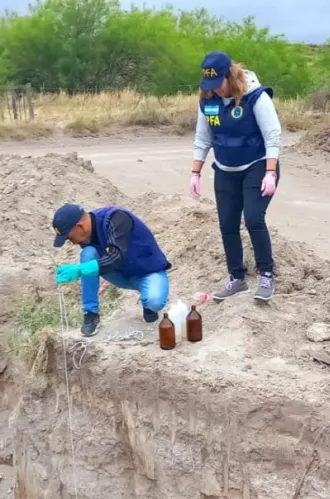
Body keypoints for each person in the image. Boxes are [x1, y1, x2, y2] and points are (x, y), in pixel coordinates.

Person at [189, 50, 283, 302]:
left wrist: (270, 172)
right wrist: (195, 172)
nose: (215, 90)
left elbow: (272, 135)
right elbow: (203, 138)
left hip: (258, 165)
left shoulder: (255, 97)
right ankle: (236, 278)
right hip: (225, 169)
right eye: (209, 85)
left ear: (230, 76)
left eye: (218, 83)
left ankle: (266, 274)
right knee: (227, 224)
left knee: (253, 218)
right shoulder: (208, 101)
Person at [51, 202, 172, 338]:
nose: (72, 242)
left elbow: (116, 257)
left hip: (147, 272)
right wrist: (83, 269)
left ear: (80, 226)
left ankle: (147, 305)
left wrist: (79, 270)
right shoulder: (87, 236)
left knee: (154, 301)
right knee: (88, 253)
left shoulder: (116, 218)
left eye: (69, 237)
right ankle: (91, 314)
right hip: (120, 274)